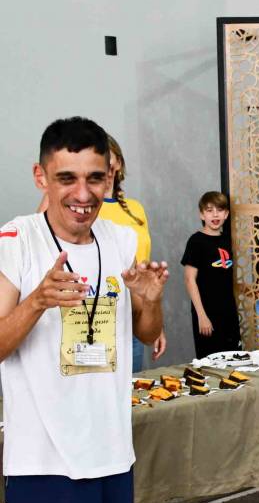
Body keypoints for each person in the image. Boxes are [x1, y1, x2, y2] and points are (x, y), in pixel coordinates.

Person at [0, 116, 169, 503]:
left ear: (110, 177)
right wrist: (37, 301)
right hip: (44, 466)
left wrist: (149, 303)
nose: (82, 193)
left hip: (112, 457)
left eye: (95, 178)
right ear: (41, 177)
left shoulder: (121, 240)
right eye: (66, 178)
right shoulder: (16, 240)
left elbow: (146, 331)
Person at [37, 135, 167, 371]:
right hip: (85, 314)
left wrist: (153, 316)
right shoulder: (80, 205)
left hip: (130, 313)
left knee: (128, 388)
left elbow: (143, 268)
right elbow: (43, 236)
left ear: (118, 163)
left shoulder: (135, 209)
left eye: (106, 157)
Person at [181, 191, 241, 358]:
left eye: (220, 210)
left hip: (229, 313)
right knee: (210, 363)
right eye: (209, 210)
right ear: (202, 214)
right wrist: (201, 316)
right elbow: (189, 280)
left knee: (233, 359)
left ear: (226, 214)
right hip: (206, 313)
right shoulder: (196, 241)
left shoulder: (228, 240)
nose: (215, 215)